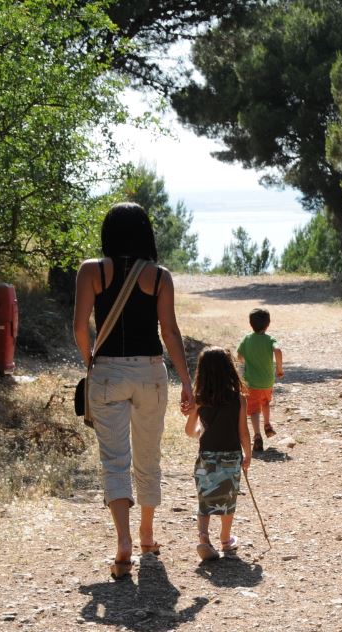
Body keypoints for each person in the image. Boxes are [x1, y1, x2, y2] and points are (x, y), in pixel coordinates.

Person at [73, 202, 193, 580]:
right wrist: (187, 382)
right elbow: (169, 332)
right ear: (146, 233)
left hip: (108, 370)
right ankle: (147, 534)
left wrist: (90, 360)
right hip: (150, 373)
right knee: (148, 455)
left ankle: (122, 543)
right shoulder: (159, 277)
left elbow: (79, 327)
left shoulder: (91, 271)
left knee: (115, 460)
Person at [185, 346, 253, 562]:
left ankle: (204, 538)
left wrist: (201, 431)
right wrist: (248, 454)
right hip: (231, 456)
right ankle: (225, 539)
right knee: (227, 498)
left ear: (202, 372)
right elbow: (243, 432)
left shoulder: (199, 399)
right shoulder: (238, 399)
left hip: (207, 457)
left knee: (205, 499)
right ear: (229, 369)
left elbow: (189, 431)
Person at [236, 307, 284, 453]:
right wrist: (279, 369)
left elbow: (239, 355)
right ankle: (268, 424)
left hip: (252, 382)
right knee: (266, 402)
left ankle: (257, 435)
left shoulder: (247, 339)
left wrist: (246, 359)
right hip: (267, 381)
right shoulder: (270, 339)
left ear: (250, 323)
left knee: (254, 410)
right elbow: (277, 350)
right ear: (268, 324)